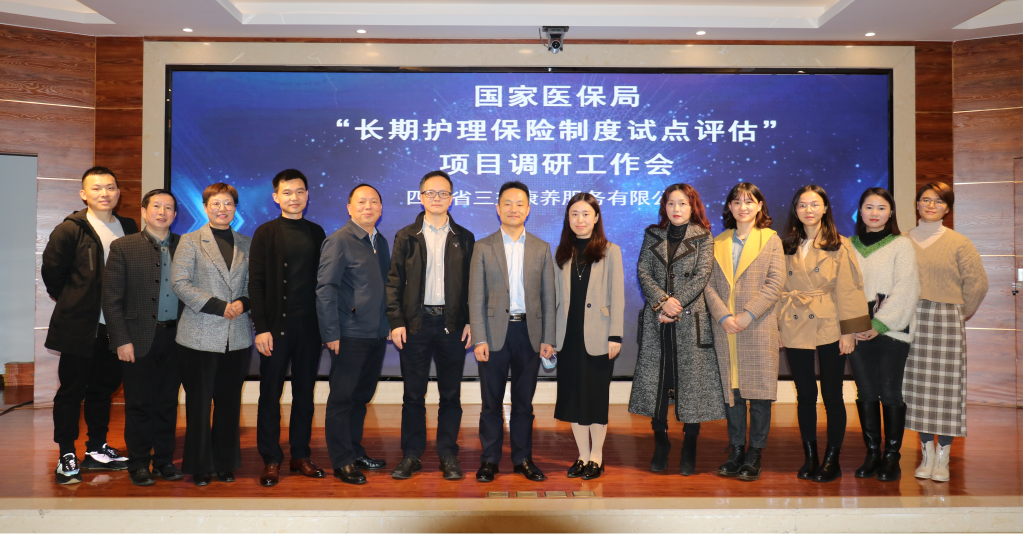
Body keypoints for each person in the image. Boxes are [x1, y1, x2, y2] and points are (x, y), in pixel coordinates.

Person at [42, 166, 138, 484]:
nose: (104, 193)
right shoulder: (71, 229)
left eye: (110, 187)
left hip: (117, 327)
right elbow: (52, 273)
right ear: (84, 194)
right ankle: (66, 453)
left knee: (103, 390)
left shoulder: (128, 226)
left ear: (118, 192)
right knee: (71, 391)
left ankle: (96, 448)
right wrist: (77, 301)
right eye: (96, 188)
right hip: (80, 327)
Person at [628, 184, 725, 477]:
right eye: (671, 203)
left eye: (682, 203)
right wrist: (662, 303)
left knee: (691, 385)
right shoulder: (653, 234)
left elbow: (701, 276)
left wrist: (675, 305)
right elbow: (643, 271)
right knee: (658, 384)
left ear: (692, 206)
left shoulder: (703, 237)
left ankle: (689, 444)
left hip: (689, 320)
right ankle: (661, 443)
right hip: (658, 321)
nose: (676, 209)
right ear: (664, 207)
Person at [778, 184, 871, 483]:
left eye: (815, 204)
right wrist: (778, 326)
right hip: (794, 322)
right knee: (805, 394)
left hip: (830, 322)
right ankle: (810, 457)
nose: (809, 210)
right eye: (802, 205)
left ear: (825, 208)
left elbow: (850, 289)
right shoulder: (786, 245)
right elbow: (778, 288)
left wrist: (849, 332)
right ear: (795, 210)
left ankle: (832, 459)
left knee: (832, 394)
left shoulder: (839, 244)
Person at [387, 170, 475, 481]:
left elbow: (473, 286)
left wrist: (471, 321)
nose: (437, 198)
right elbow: (393, 282)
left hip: (452, 325)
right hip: (416, 324)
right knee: (413, 394)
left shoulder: (464, 237)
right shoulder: (406, 236)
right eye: (431, 193)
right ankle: (411, 455)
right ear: (421, 197)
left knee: (450, 394)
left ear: (452, 198)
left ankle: (448, 453)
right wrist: (396, 320)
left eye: (443, 193)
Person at [469, 181, 556, 483]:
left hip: (529, 333)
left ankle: (522, 459)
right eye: (507, 203)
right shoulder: (483, 247)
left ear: (528, 209)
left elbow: (549, 298)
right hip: (493, 334)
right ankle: (489, 460)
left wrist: (548, 338)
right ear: (498, 208)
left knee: (523, 403)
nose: (513, 209)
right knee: (491, 402)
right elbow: (475, 297)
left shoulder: (542, 248)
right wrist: (479, 337)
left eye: (520, 204)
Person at [102, 189, 186, 486]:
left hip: (178, 337)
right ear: (143, 211)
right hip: (136, 338)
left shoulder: (186, 246)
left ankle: (164, 461)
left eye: (169, 208)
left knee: (168, 402)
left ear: (175, 214)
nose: (162, 212)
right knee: (139, 403)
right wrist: (120, 339)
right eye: (156, 206)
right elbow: (111, 298)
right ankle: (138, 463)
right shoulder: (123, 246)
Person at [249, 169, 328, 487]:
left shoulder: (317, 232)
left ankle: (300, 455)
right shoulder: (265, 232)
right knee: (270, 395)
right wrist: (261, 327)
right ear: (276, 197)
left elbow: (323, 283)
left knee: (304, 395)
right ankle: (271, 458)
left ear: (307, 195)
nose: (294, 198)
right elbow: (256, 283)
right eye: (287, 192)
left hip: (309, 328)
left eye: (299, 191)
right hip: (275, 330)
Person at [905, 182, 987, 483]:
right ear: (917, 204)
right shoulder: (902, 241)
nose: (931, 205)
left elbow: (977, 283)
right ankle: (926, 453)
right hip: (911, 320)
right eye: (926, 199)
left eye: (939, 201)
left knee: (947, 390)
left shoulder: (959, 242)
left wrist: (958, 313)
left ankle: (943, 457)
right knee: (919, 390)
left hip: (946, 320)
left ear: (948, 208)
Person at [171, 182, 253, 486]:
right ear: (205, 207)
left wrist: (243, 302)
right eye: (216, 203)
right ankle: (200, 466)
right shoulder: (190, 241)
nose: (222, 209)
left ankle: (225, 463)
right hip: (198, 335)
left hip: (238, 336)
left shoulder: (247, 243)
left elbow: (253, 285)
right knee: (199, 404)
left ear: (235, 208)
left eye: (228, 203)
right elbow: (180, 283)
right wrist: (220, 306)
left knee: (229, 404)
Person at [704, 182, 785, 482]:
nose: (743, 207)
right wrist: (723, 315)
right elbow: (707, 285)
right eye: (737, 201)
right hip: (725, 326)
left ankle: (755, 453)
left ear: (760, 206)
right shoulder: (717, 242)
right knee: (733, 393)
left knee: (760, 394)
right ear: (729, 207)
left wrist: (748, 314)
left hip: (758, 325)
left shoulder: (771, 240)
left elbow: (775, 283)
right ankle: (737, 449)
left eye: (749, 201)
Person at [316, 183, 391, 485]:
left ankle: (355, 451)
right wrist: (330, 332)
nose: (368, 207)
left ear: (381, 208)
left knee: (361, 397)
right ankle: (342, 461)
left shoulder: (380, 241)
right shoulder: (339, 240)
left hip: (376, 334)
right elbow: (326, 289)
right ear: (349, 208)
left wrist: (387, 325)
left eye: (374, 201)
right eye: (361, 202)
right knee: (342, 399)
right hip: (348, 334)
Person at [848, 187, 920, 482]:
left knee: (890, 393)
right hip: (856, 329)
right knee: (865, 392)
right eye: (869, 207)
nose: (875, 213)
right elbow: (843, 289)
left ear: (890, 213)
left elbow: (907, 287)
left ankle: (892, 457)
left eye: (881, 207)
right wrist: (855, 325)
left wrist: (877, 325)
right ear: (860, 211)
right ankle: (872, 453)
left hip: (892, 330)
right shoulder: (847, 246)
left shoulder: (902, 245)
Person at [554, 193, 625, 481]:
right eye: (574, 214)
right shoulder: (562, 253)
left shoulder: (610, 251)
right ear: (568, 218)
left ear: (596, 217)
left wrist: (615, 335)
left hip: (599, 336)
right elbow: (555, 299)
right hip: (567, 337)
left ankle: (597, 456)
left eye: (586, 214)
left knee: (595, 399)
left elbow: (617, 296)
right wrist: (550, 337)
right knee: (573, 399)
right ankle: (582, 455)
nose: (580, 220)